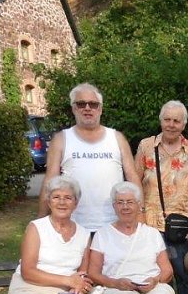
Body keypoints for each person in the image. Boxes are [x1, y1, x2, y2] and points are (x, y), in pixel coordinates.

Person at [134, 100, 188, 294]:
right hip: (150, 222)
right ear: (160, 120)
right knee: (153, 268)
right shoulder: (146, 147)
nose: (171, 125)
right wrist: (139, 215)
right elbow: (135, 182)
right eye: (167, 119)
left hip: (180, 224)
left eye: (176, 120)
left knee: (182, 269)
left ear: (183, 124)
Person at [39, 83, 140, 231]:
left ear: (100, 109)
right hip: (74, 224)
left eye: (93, 104)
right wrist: (41, 222)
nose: (87, 108)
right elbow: (50, 182)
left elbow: (133, 177)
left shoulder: (117, 138)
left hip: (114, 224)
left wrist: (140, 213)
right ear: (73, 108)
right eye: (81, 104)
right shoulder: (61, 139)